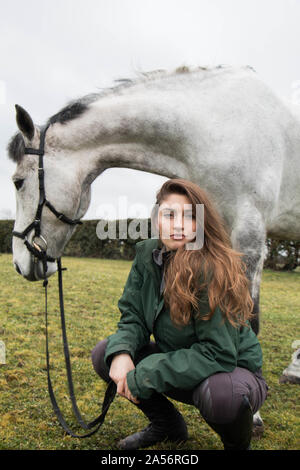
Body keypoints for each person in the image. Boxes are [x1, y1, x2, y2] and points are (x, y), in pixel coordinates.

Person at [91, 178, 268, 450]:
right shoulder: (147, 255)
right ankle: (168, 427)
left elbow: (218, 353)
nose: (178, 225)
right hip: (183, 368)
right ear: (156, 218)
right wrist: (123, 353)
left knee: (222, 396)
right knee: (106, 353)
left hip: (231, 373)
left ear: (200, 224)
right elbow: (133, 316)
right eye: (169, 214)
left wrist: (147, 372)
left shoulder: (212, 268)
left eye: (189, 216)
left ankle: (237, 445)